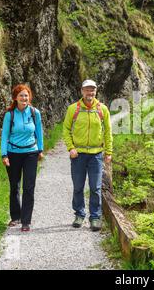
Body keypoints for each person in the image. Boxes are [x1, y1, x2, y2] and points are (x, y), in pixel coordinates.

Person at [62, 79, 112, 231]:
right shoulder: (73, 109)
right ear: (82, 91)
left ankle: (95, 217)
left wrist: (109, 152)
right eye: (87, 90)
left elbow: (108, 132)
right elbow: (66, 129)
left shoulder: (102, 109)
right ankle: (79, 214)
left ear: (95, 91)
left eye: (92, 90)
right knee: (78, 186)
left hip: (96, 154)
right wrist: (71, 148)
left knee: (95, 187)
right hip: (78, 155)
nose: (89, 92)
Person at [1, 84, 44, 232]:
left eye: (26, 95)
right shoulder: (10, 115)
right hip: (13, 153)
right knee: (14, 186)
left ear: (29, 97)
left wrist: (40, 150)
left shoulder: (34, 112)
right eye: (21, 96)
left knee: (29, 188)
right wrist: (4, 154)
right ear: (15, 98)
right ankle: (15, 217)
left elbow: (39, 131)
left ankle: (26, 221)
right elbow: (5, 135)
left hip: (31, 153)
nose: (24, 98)